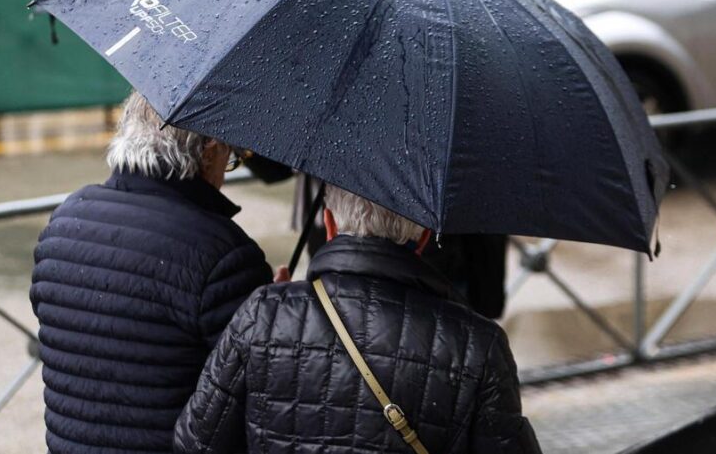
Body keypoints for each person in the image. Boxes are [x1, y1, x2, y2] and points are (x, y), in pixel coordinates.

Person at [175, 185, 541, 453]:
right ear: (424, 236)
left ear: (328, 223)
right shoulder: (478, 344)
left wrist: (271, 310)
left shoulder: (264, 313)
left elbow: (195, 442)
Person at [30, 92, 273, 453]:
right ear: (208, 150)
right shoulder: (223, 253)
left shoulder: (66, 219)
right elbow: (260, 389)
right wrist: (276, 316)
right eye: (230, 156)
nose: (226, 169)